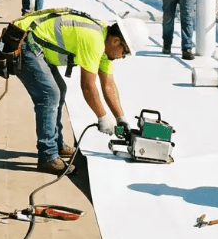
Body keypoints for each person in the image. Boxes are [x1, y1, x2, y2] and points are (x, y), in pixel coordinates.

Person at [12, 9, 148, 174]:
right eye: (125, 52)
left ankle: (57, 144)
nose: (123, 57)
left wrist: (121, 118)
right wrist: (102, 117)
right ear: (116, 41)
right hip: (24, 42)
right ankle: (47, 156)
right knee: (50, 95)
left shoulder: (105, 43)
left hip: (37, 45)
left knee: (59, 90)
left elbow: (108, 84)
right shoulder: (94, 40)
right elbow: (88, 86)